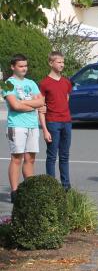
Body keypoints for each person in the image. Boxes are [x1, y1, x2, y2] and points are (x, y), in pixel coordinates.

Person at [4, 54, 45, 202]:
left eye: (25, 66)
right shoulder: (7, 84)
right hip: (17, 125)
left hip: (32, 125)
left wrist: (24, 103)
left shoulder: (31, 83)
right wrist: (31, 104)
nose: (24, 69)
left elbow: (41, 101)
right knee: (17, 158)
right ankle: (15, 191)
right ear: (13, 67)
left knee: (30, 159)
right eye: (21, 66)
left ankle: (29, 189)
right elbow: (15, 106)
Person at [38, 51, 73, 191]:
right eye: (59, 62)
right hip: (52, 123)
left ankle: (66, 186)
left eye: (63, 62)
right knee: (52, 156)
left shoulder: (66, 82)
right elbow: (41, 107)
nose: (62, 65)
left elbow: (66, 99)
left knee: (64, 156)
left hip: (66, 122)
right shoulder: (44, 83)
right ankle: (51, 187)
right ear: (51, 63)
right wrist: (45, 129)